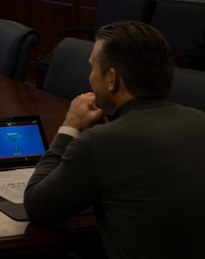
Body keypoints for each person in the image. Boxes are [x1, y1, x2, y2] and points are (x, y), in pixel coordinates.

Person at [24, 20, 205, 259]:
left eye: (92, 68)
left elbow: (38, 205)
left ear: (112, 79)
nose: (90, 76)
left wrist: (70, 126)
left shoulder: (99, 143)